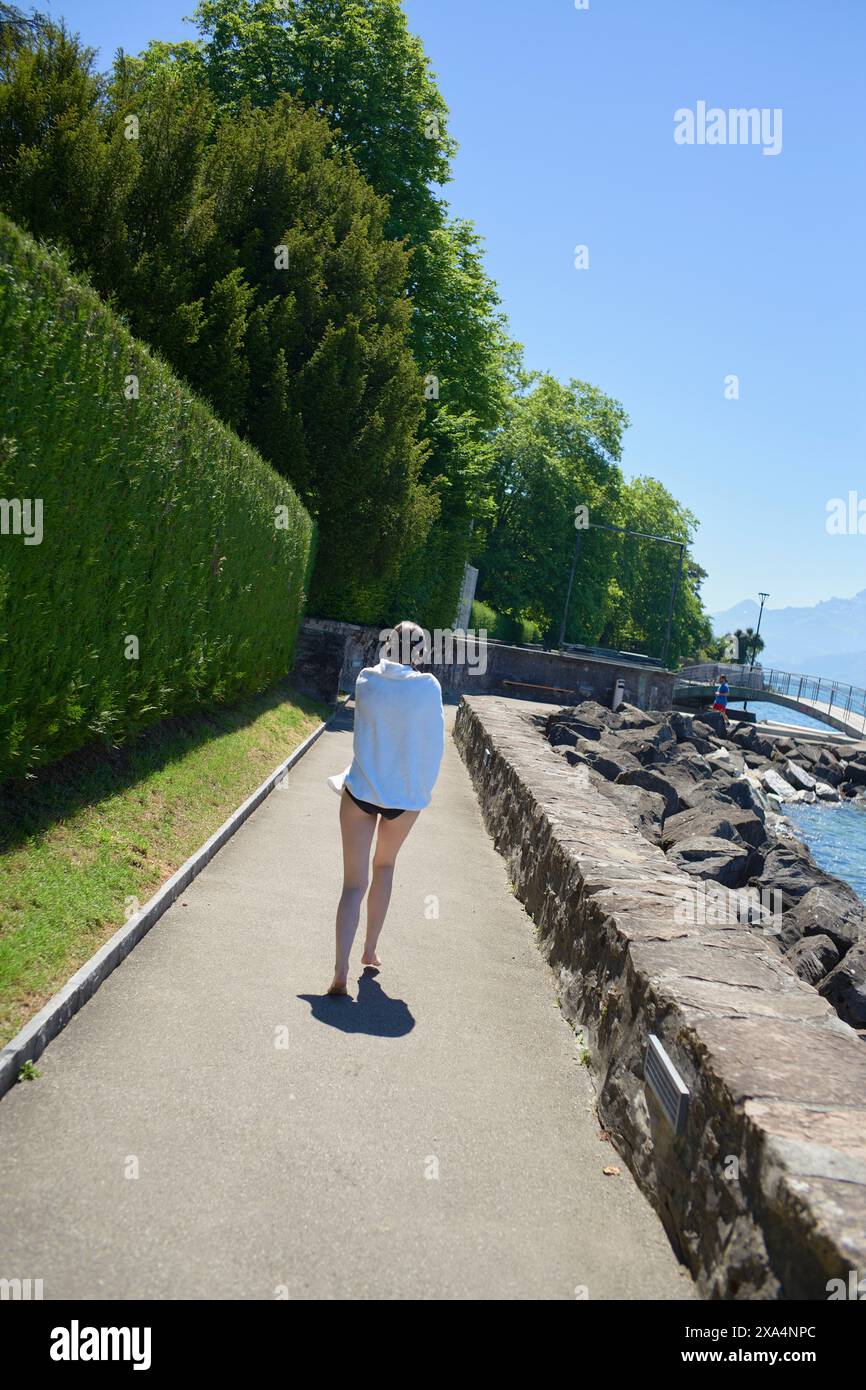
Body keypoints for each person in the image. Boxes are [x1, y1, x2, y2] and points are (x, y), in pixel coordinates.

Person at [325, 621, 445, 996]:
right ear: (421, 653)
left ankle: (340, 970)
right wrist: (420, 791)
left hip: (361, 790)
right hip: (403, 799)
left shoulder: (365, 680)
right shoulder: (429, 688)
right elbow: (433, 743)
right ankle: (370, 950)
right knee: (385, 866)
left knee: (352, 884)